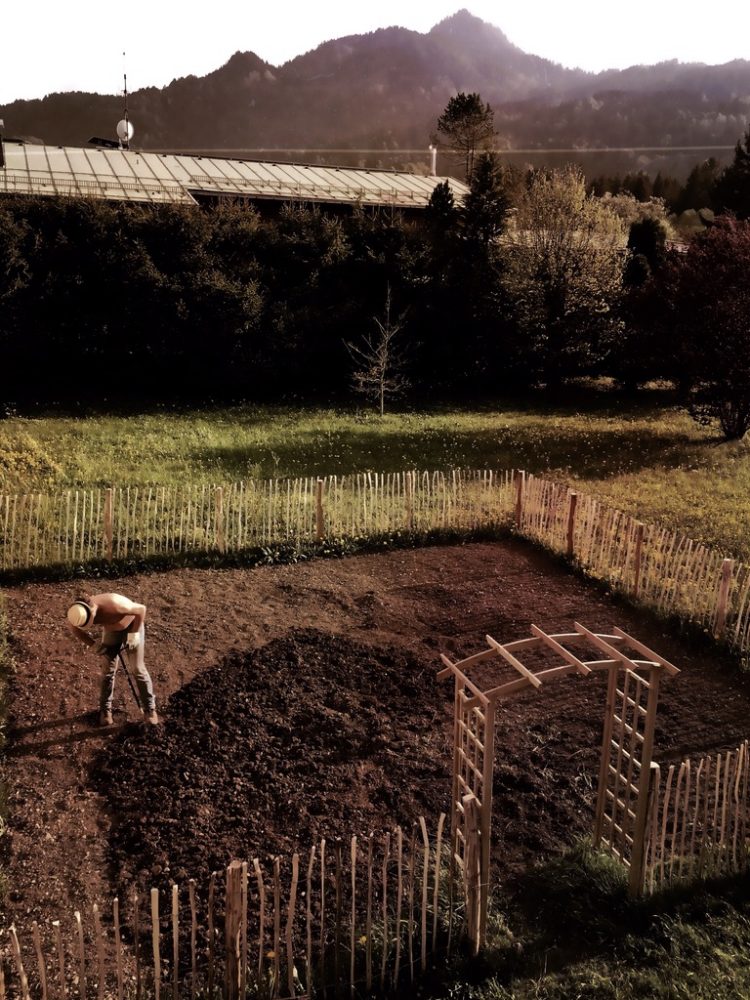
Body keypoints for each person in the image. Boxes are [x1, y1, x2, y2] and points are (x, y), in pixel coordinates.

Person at [66, 592, 159, 726]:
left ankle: (150, 709)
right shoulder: (77, 613)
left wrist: (133, 636)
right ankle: (105, 710)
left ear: (93, 610)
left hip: (133, 627)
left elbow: (141, 609)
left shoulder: (116, 605)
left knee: (137, 668)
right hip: (111, 631)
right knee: (108, 670)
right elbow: (74, 629)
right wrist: (94, 645)